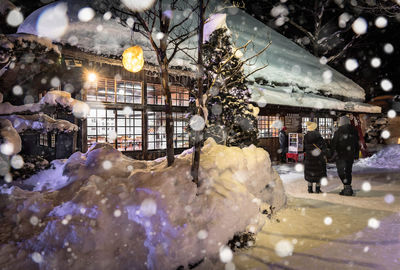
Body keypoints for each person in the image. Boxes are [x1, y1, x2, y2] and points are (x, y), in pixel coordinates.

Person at [331, 115, 359, 196]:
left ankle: (347, 188)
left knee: (341, 171)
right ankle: (347, 187)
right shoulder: (354, 131)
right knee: (348, 171)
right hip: (350, 155)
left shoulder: (338, 132)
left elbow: (334, 144)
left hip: (341, 155)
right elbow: (357, 144)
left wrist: (331, 153)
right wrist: (356, 154)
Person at [304, 121, 328, 193]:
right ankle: (317, 189)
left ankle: (310, 188)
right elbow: (324, 148)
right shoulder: (319, 137)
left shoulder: (306, 137)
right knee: (319, 174)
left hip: (309, 158)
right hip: (318, 158)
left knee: (310, 173)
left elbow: (304, 148)